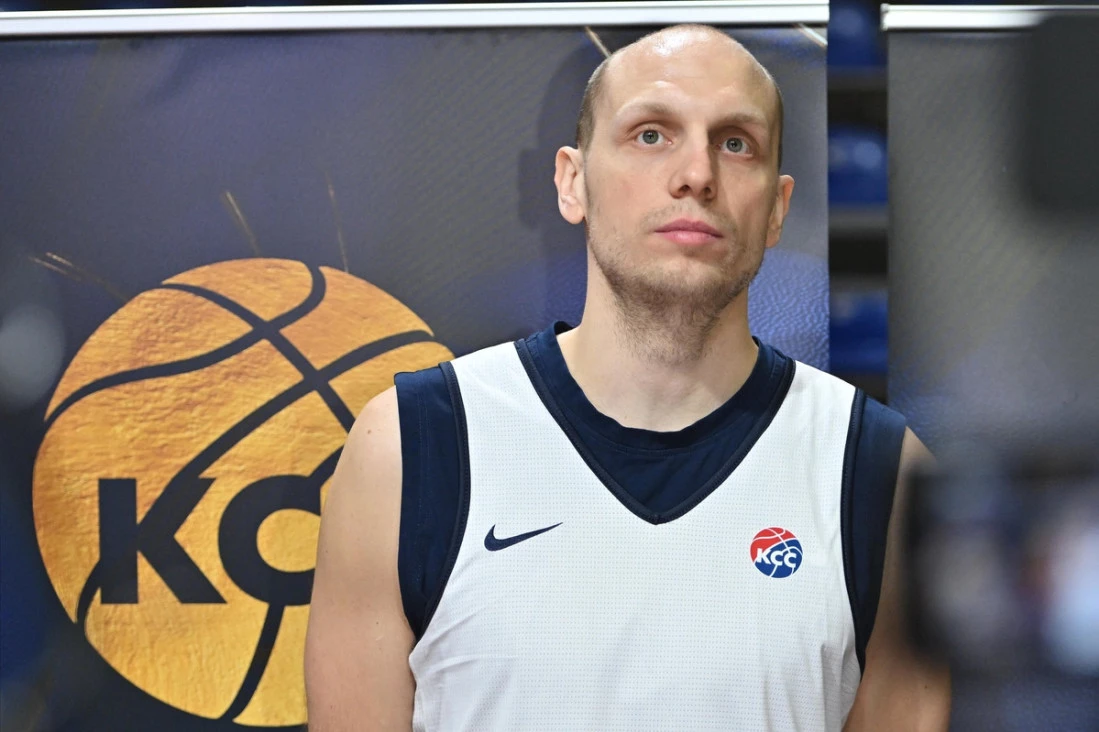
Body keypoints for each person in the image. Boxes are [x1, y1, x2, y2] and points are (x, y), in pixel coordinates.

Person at [304, 24, 951, 731]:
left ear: (776, 208)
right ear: (572, 181)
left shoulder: (879, 473)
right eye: (650, 134)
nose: (696, 173)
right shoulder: (412, 447)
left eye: (736, 143)